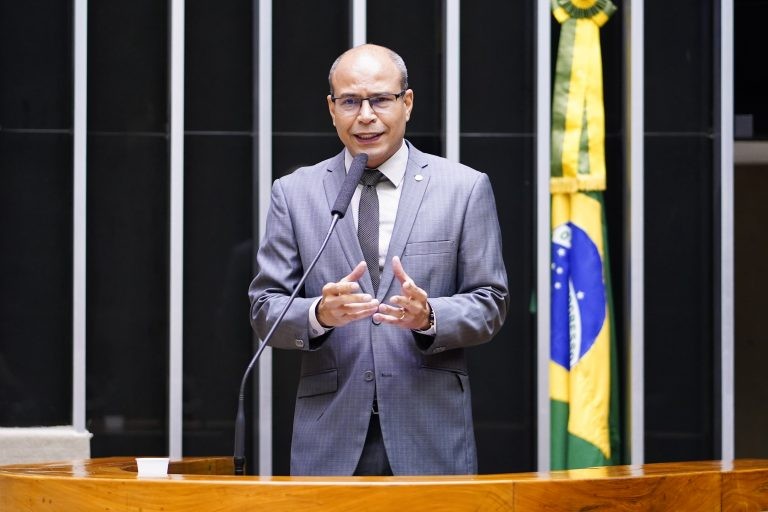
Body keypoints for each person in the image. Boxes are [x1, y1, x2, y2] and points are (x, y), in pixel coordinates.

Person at [249, 44, 509, 476]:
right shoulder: (294, 194)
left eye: (381, 100)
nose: (365, 116)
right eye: (350, 101)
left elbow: (491, 302)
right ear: (332, 109)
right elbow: (264, 308)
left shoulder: (463, 189)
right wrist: (318, 314)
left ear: (407, 102)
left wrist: (430, 316)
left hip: (430, 432)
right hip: (329, 438)